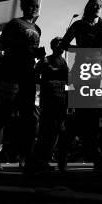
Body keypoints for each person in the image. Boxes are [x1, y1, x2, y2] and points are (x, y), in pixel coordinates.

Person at [0, 0, 46, 173]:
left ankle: (28, 158)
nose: (34, 8)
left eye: (36, 5)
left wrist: (36, 56)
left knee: (30, 118)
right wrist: (27, 52)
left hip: (28, 77)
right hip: (12, 76)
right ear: (24, 6)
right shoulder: (14, 24)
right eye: (30, 5)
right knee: (2, 117)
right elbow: (3, 48)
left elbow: (32, 52)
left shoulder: (37, 28)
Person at [59, 0, 102, 168]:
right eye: (94, 5)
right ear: (88, 7)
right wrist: (81, 50)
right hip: (81, 72)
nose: (97, 8)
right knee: (85, 114)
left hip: (96, 74)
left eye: (100, 6)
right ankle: (90, 155)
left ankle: (78, 153)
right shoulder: (78, 25)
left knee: (87, 115)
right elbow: (64, 44)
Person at [34, 37, 69, 172]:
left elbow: (67, 81)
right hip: (48, 99)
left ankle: (50, 158)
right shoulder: (45, 60)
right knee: (47, 130)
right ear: (53, 46)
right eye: (59, 44)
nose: (62, 46)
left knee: (59, 129)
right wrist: (46, 83)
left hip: (60, 99)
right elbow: (36, 76)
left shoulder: (63, 61)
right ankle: (41, 159)